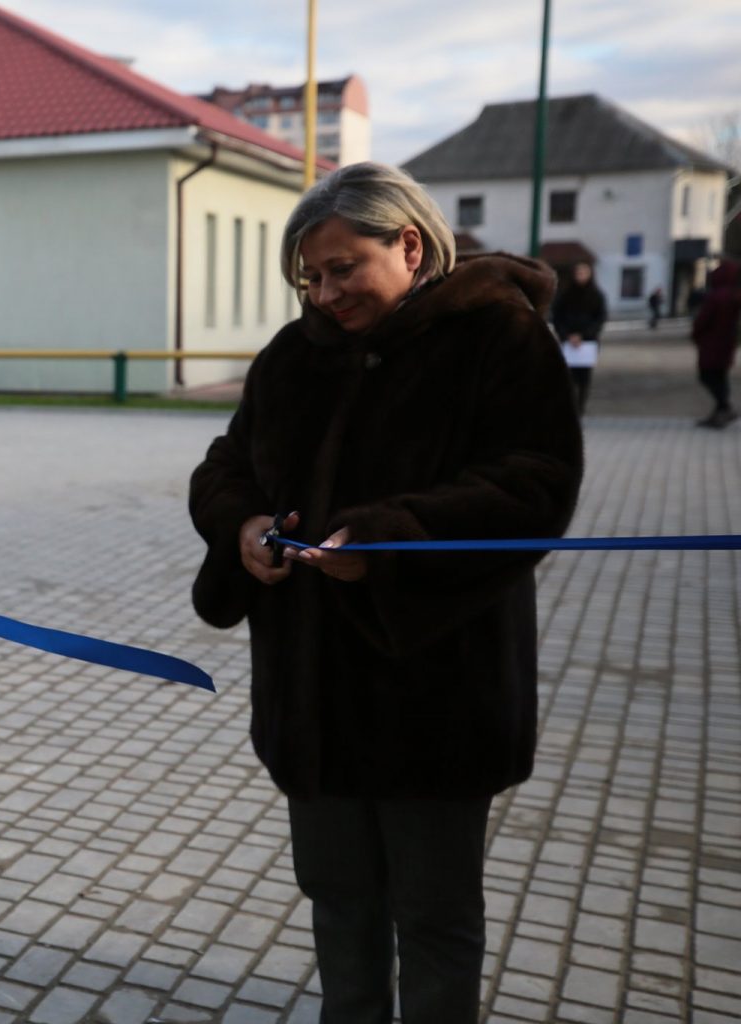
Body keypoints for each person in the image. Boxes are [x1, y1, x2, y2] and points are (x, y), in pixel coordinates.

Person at [188, 163, 583, 1023]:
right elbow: (225, 466)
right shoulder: (293, 356)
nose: (324, 294)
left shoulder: (498, 339)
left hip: (435, 698)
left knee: (435, 919)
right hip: (312, 700)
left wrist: (388, 541)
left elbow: (535, 485)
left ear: (409, 245)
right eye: (310, 276)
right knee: (339, 903)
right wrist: (246, 527)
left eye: (342, 270)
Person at [551, 260, 606, 416]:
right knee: (567, 378)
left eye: (584, 272)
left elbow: (600, 318)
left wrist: (584, 335)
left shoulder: (597, 295)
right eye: (578, 272)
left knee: (584, 379)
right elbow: (557, 317)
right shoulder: (564, 295)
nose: (580, 276)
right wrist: (566, 335)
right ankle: (568, 407)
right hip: (568, 342)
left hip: (587, 344)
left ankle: (580, 408)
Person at [691, 258, 740, 428]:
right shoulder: (734, 295)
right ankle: (721, 411)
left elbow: (703, 320)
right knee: (719, 376)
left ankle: (725, 407)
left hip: (713, 343)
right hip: (726, 343)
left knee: (708, 375)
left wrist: (697, 334)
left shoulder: (718, 296)